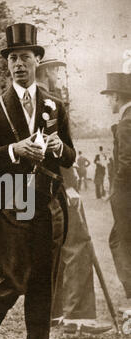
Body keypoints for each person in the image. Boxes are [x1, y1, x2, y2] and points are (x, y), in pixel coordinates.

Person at [0, 23, 76, 339]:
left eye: (25, 57)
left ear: (37, 60)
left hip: (49, 204)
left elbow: (70, 156)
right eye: (12, 58)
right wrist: (14, 151)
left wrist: (57, 148)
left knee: (42, 288)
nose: (18, 64)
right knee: (13, 282)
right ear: (8, 65)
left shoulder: (55, 105)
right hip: (10, 201)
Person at [36, 58, 112, 335]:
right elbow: (53, 149)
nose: (59, 74)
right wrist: (69, 185)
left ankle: (56, 312)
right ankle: (78, 315)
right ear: (44, 72)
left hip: (39, 190)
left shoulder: (33, 101)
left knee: (55, 248)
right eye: (55, 69)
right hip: (57, 186)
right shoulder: (49, 102)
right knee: (77, 244)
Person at [101, 61, 131, 313]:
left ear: (118, 97)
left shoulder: (126, 122)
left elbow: (126, 162)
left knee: (122, 241)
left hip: (126, 195)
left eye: (109, 96)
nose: (108, 101)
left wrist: (116, 190)